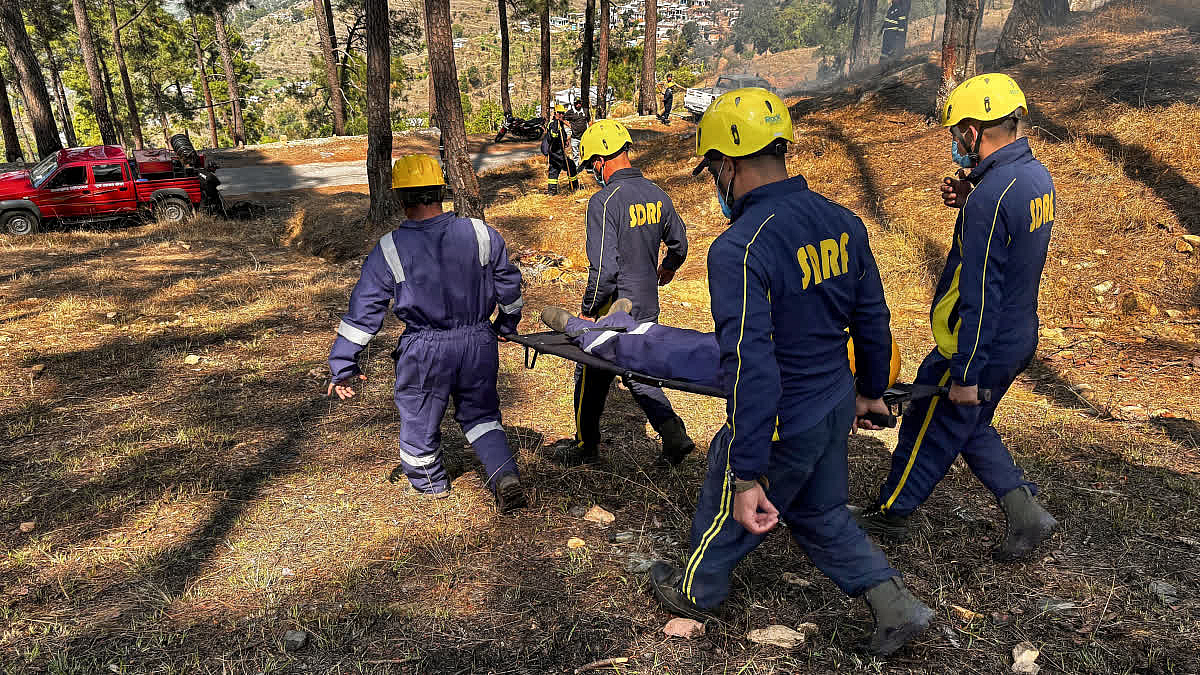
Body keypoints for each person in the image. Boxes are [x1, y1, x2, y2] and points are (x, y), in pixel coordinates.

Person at [647, 88, 933, 657]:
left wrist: (748, 470)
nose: (715, 184)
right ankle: (894, 604)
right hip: (832, 402)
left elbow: (752, 365)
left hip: (785, 413)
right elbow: (872, 317)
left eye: (713, 172)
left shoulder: (741, 247)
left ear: (726, 165)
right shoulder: (841, 222)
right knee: (820, 511)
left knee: (729, 486)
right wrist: (870, 390)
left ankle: (696, 589)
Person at [853, 73, 1059, 561]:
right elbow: (1013, 250)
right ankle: (1026, 513)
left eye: (954, 134)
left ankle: (893, 512)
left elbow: (981, 290)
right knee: (967, 424)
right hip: (1016, 332)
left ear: (972, 130)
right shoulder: (1034, 178)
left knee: (932, 420)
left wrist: (965, 370)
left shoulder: (991, 198)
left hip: (975, 342)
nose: (954, 145)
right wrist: (971, 201)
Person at [326, 154, 528, 513]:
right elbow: (509, 288)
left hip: (425, 348)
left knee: (419, 416)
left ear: (400, 199)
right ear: (441, 190)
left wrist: (343, 364)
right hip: (479, 342)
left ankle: (431, 485)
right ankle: (503, 473)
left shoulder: (389, 248)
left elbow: (364, 312)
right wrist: (506, 325)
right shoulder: (483, 232)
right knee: (482, 414)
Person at [556, 119, 694, 468]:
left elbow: (604, 267)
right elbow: (680, 243)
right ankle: (674, 434)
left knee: (588, 371)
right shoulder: (657, 194)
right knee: (638, 371)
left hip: (613, 306)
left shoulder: (604, 201)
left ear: (600, 160)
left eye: (591, 166)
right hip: (647, 302)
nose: (592, 172)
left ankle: (587, 445)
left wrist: (589, 309)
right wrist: (669, 267)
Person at [539, 300, 901, 394]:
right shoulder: (828, 361)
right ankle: (624, 324)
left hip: (739, 369)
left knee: (654, 355)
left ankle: (583, 331)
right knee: (681, 339)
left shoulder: (820, 375)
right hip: (751, 351)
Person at [543, 103, 579, 195]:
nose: (562, 115)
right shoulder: (553, 124)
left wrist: (566, 140)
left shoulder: (560, 123)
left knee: (563, 168)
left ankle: (570, 187)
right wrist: (556, 122)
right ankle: (555, 190)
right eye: (560, 113)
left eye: (563, 113)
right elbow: (553, 136)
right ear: (555, 113)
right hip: (555, 153)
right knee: (562, 168)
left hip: (560, 152)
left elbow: (562, 135)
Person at [565, 99, 590, 165]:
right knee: (575, 153)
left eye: (579, 103)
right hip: (575, 136)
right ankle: (576, 165)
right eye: (576, 103)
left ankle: (585, 165)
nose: (578, 105)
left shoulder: (585, 111)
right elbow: (563, 119)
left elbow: (589, 120)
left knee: (585, 152)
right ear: (574, 104)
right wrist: (570, 126)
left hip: (584, 136)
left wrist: (590, 130)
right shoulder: (571, 112)